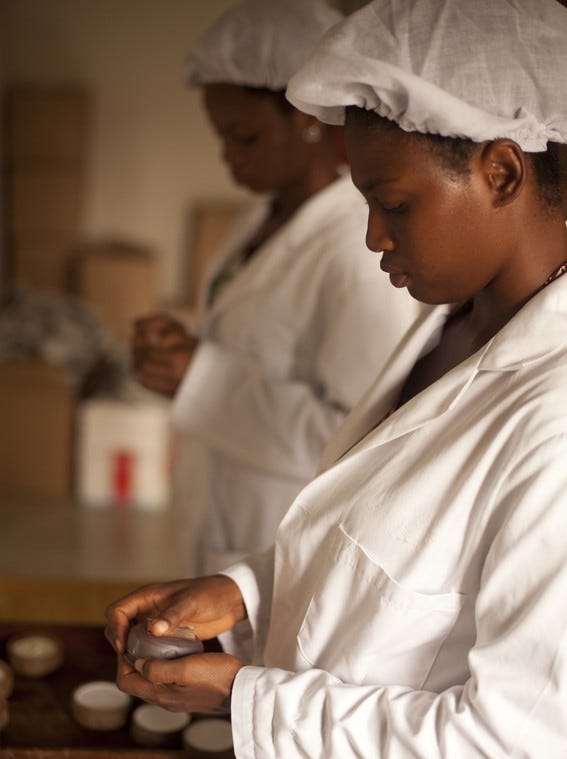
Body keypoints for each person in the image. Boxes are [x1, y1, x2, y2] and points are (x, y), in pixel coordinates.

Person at [106, 1, 567, 759]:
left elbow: (514, 747)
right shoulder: (453, 326)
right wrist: (245, 591)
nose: (369, 236)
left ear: (502, 173)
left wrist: (244, 698)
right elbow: (391, 559)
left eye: (392, 202)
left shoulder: (554, 418)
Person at [132, 0, 421, 576]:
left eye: (245, 137)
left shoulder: (356, 249)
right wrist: (186, 349)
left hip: (281, 547)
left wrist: (201, 378)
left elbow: (356, 435)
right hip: (222, 524)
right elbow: (255, 344)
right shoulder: (258, 221)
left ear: (309, 117)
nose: (227, 158)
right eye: (221, 136)